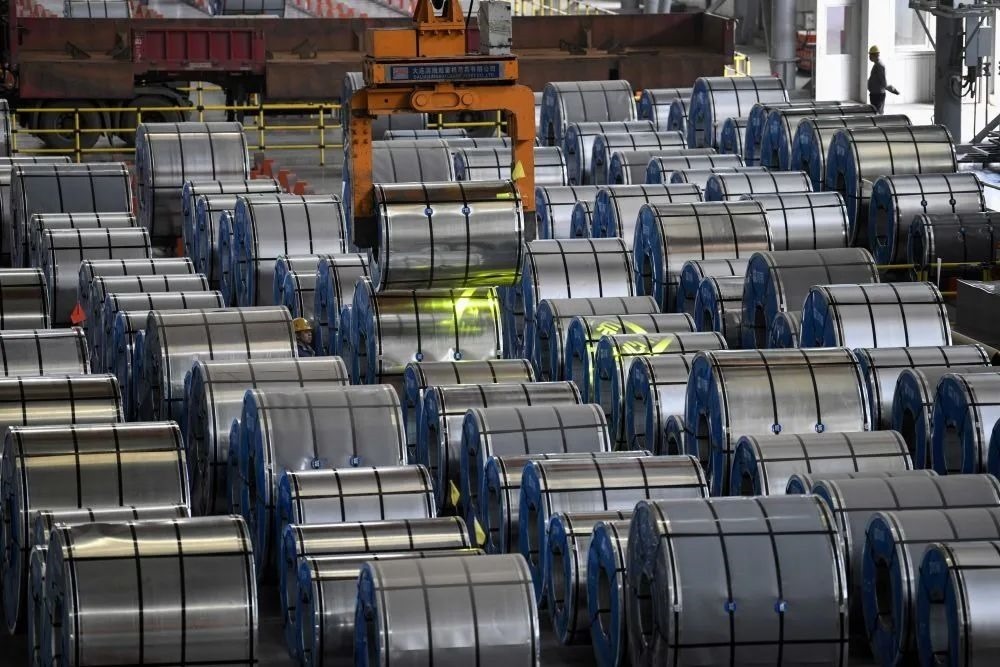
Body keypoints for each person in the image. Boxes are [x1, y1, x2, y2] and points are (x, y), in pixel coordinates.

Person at [868, 46, 900, 114]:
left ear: (875, 55)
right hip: (875, 94)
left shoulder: (880, 66)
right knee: (875, 113)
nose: (869, 57)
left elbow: (884, 83)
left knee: (878, 114)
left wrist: (893, 90)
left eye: (870, 55)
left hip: (878, 95)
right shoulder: (876, 65)